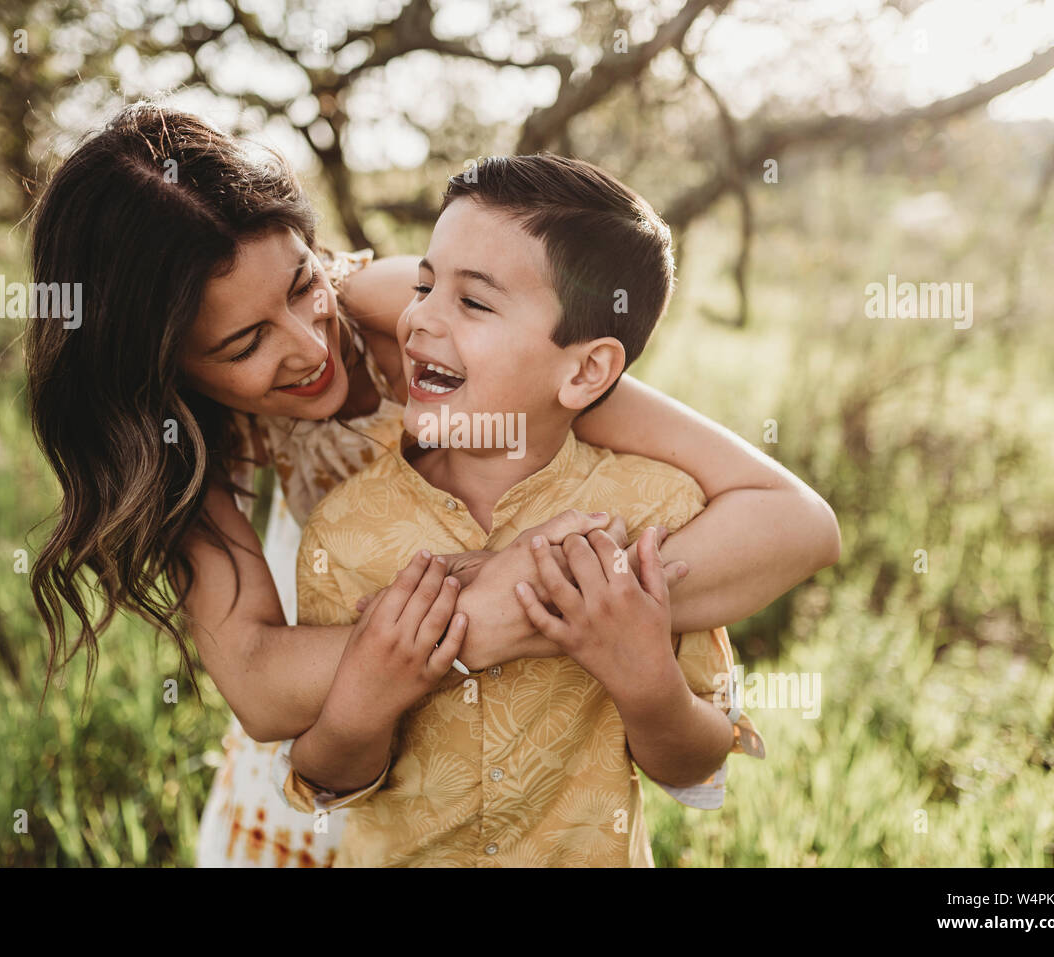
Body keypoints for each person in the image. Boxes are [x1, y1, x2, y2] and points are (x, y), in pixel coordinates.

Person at [23, 103, 839, 867]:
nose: (310, 345)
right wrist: (491, 612)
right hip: (348, 742)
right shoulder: (181, 442)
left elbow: (793, 523)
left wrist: (576, 596)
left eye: (304, 285)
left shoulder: (423, 316)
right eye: (244, 346)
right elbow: (263, 686)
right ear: (166, 369)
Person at [284, 154, 771, 866]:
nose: (418, 318)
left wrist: (646, 681)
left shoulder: (658, 511)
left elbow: (694, 763)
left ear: (584, 371)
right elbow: (326, 778)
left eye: (473, 302)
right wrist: (367, 697)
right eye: (423, 285)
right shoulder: (344, 531)